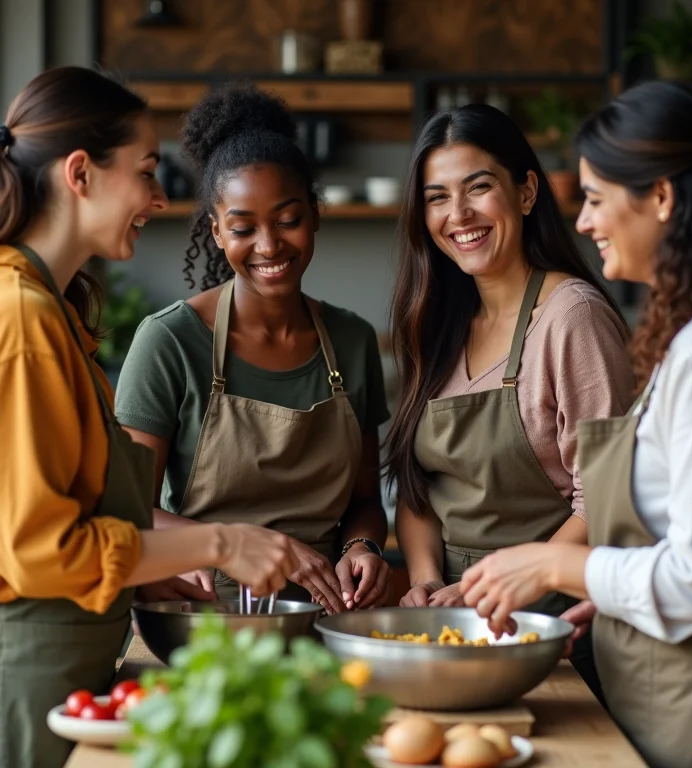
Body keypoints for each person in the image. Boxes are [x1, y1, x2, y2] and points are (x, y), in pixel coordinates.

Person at [460, 81, 692, 768]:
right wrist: (606, 591)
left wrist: (556, 562)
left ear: (660, 198)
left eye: (597, 198)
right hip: (658, 686)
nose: (587, 221)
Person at [0, 67, 298, 768]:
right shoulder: (21, 320)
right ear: (81, 173)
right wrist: (220, 545)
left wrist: (143, 567)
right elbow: (39, 552)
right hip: (28, 677)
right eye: (145, 171)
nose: (160, 199)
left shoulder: (52, 309)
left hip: (67, 665)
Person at [385, 103, 635, 699]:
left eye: (479, 188)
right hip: (450, 629)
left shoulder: (571, 318)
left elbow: (605, 503)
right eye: (437, 197)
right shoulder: (436, 321)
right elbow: (419, 487)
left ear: (526, 193)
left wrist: (491, 591)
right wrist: (424, 584)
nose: (458, 214)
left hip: (551, 630)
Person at [115, 84, 391, 613]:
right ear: (217, 232)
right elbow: (128, 509)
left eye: (288, 220)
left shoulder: (352, 342)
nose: (269, 246)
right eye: (244, 228)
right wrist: (261, 546)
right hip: (199, 614)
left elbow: (363, 502)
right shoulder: (170, 341)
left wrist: (363, 547)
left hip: (327, 615)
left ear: (315, 214)